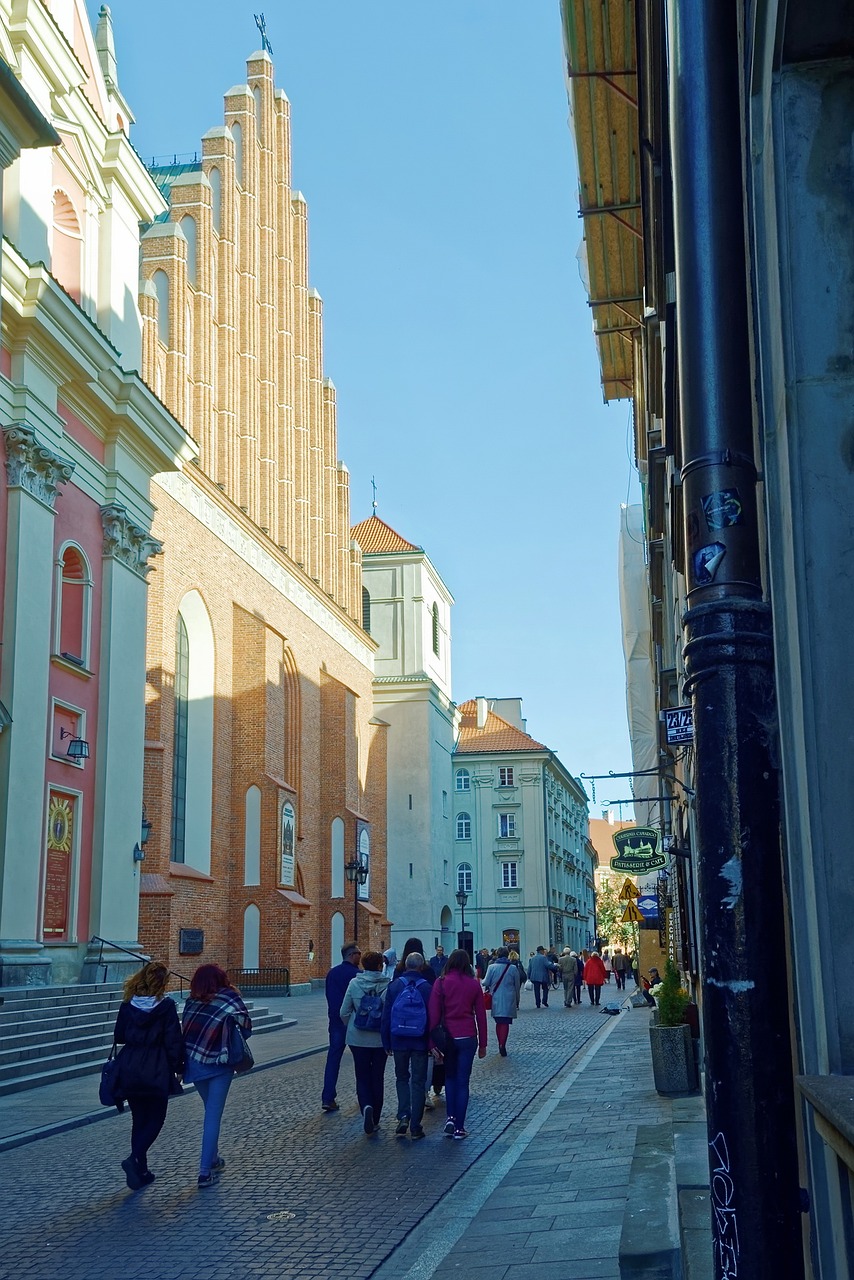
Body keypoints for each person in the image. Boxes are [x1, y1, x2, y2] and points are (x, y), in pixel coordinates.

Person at [113, 961, 184, 1189]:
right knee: (156, 1117)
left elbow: (120, 1035)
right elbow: (173, 1040)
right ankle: (135, 1158)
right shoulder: (166, 1006)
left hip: (131, 1064)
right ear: (162, 983)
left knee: (139, 1118)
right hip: (156, 1065)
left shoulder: (127, 1005)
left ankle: (141, 1171)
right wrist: (178, 1067)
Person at [182, 963, 252, 1188]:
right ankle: (204, 1172)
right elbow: (247, 1028)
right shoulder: (229, 997)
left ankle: (213, 1158)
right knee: (213, 1115)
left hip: (196, 1063)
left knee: (210, 1110)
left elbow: (188, 1032)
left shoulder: (191, 1002)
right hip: (220, 1063)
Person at [428, 948, 487, 1139]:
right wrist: (483, 1044)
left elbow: (433, 1017)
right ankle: (460, 1127)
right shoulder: (473, 984)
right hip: (468, 1037)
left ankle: (451, 1118)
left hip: (448, 1038)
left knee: (450, 1078)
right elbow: (480, 1015)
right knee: (463, 1081)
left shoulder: (441, 983)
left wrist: (431, 1043)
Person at [381, 952, 431, 1139]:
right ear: (421, 967)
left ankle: (403, 1115)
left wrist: (386, 1041)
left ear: (405, 965)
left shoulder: (394, 986)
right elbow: (433, 1018)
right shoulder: (426, 987)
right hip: (419, 1041)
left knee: (401, 1078)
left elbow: (386, 1016)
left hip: (399, 1039)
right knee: (418, 1081)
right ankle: (416, 1126)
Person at [339, 950, 390, 1135]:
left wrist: (353, 1024)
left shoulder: (354, 983)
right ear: (379, 966)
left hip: (358, 1038)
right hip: (379, 1039)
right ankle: (375, 1118)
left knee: (362, 1075)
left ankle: (366, 1106)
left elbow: (343, 1012)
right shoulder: (388, 984)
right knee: (378, 1077)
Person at [394, 937, 442, 1106]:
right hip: (423, 1024)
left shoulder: (398, 971)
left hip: (401, 1025)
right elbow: (435, 996)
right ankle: (424, 1093)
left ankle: (405, 1107)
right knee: (425, 1063)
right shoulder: (427, 971)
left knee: (402, 1071)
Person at [321, 941, 361, 1112]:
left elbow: (328, 996)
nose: (361, 956)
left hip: (336, 1022)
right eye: (358, 953)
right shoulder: (357, 975)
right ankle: (363, 1095)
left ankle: (328, 1098)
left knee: (333, 1059)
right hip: (353, 1023)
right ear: (352, 955)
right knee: (361, 1061)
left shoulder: (332, 973)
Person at [483, 945, 521, 1056]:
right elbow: (517, 985)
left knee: (499, 1022)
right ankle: (502, 1044)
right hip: (509, 998)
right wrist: (517, 999)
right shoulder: (513, 968)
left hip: (496, 998)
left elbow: (485, 982)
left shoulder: (492, 967)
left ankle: (500, 1042)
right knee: (505, 1023)